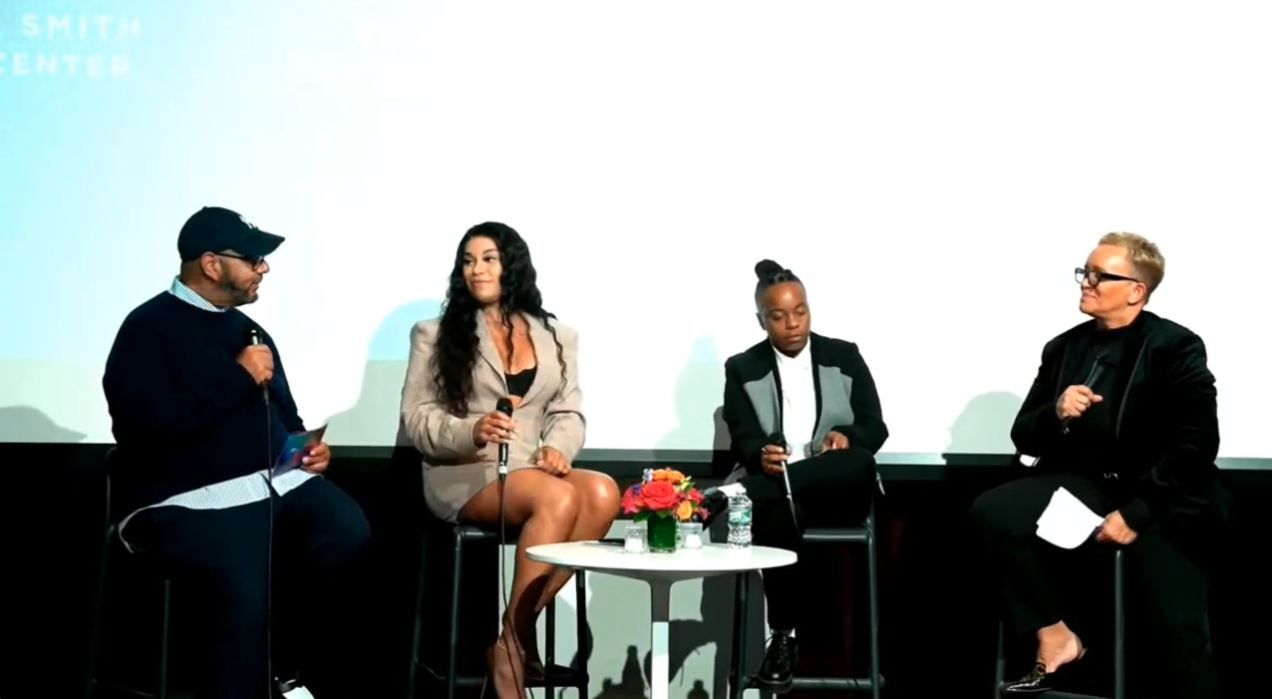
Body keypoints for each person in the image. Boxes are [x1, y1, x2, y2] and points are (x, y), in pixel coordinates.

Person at [102, 207, 371, 699]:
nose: (263, 268)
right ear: (210, 263)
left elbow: (285, 420)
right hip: (184, 497)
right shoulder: (147, 328)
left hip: (271, 483)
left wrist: (307, 452)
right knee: (243, 576)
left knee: (343, 529)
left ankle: (286, 669)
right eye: (253, 259)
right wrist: (237, 377)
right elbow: (142, 430)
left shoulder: (250, 332)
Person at [970, 232, 1231, 697]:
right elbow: (1024, 433)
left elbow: (1197, 443)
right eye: (1084, 273)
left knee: (1176, 636)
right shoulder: (1063, 348)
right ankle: (1054, 633)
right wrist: (1055, 411)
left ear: (1136, 290)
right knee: (993, 511)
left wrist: (1137, 513)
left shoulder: (1175, 346)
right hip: (1089, 487)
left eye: (1099, 275)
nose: (1086, 282)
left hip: (1164, 500)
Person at [400, 221, 620, 699]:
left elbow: (568, 409)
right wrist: (471, 429)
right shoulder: (434, 333)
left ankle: (510, 639)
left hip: (532, 469)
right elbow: (417, 418)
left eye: (488, 259)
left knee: (602, 491)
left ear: (511, 265)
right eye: (468, 260)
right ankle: (516, 650)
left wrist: (558, 447)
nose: (476, 269)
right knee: (558, 497)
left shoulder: (557, 334)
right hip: (464, 472)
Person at [703, 259, 887, 694]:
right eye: (779, 316)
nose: (792, 323)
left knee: (857, 461)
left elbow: (875, 428)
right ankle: (783, 637)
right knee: (773, 508)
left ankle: (735, 493)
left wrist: (845, 436)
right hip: (784, 496)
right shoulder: (742, 367)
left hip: (840, 490)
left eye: (800, 311)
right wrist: (760, 457)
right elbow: (745, 436)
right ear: (761, 319)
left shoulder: (844, 355)